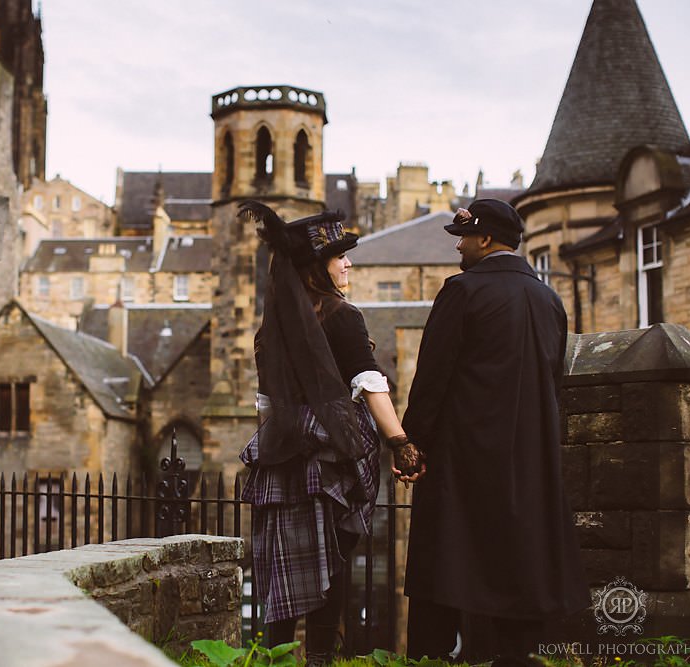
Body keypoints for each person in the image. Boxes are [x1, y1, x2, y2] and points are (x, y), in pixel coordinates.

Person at [237, 201, 424, 666]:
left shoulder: (270, 330)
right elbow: (369, 381)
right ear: (315, 266)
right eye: (339, 256)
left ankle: (271, 659)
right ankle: (320, 658)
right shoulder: (343, 315)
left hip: (282, 457)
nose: (348, 263)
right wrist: (400, 442)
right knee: (334, 567)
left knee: (283, 572)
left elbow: (267, 405)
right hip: (330, 459)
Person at [402, 199, 589, 663]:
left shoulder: (462, 291)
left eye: (462, 238)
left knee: (447, 566)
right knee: (518, 564)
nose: (458, 247)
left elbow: (432, 378)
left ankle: (433, 656)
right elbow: (554, 379)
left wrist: (411, 443)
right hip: (530, 460)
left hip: (463, 458)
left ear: (485, 239)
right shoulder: (551, 300)